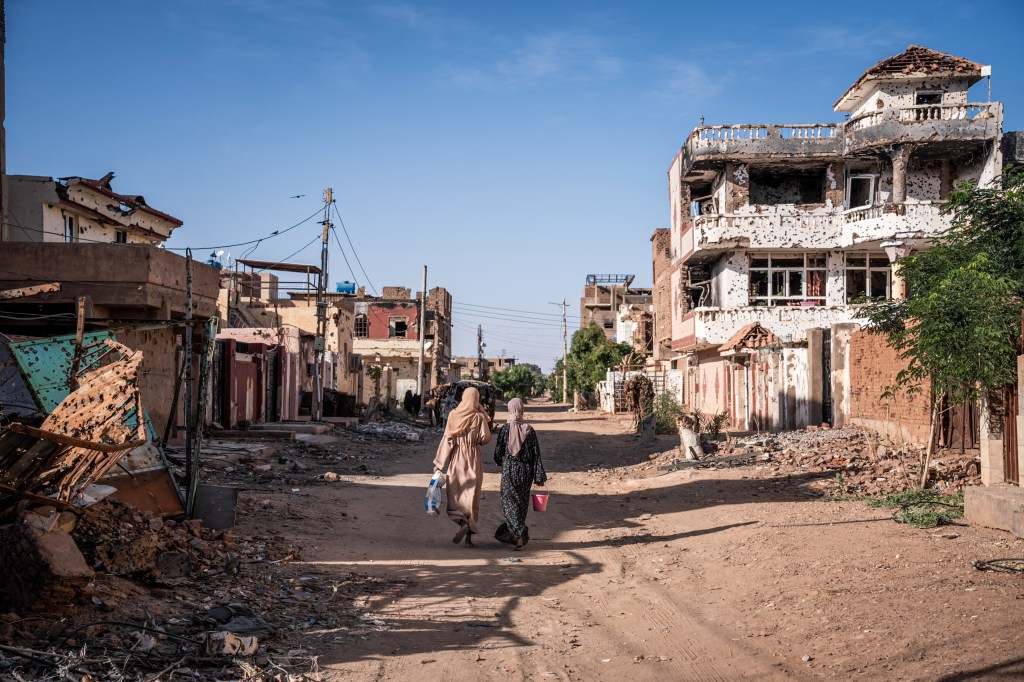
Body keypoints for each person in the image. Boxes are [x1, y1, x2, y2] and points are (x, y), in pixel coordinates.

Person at [432, 386, 492, 547]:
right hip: (473, 458)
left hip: (456, 458)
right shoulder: (479, 417)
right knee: (471, 497)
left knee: (455, 495)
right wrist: (483, 414)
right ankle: (468, 540)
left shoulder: (453, 415)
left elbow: (447, 440)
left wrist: (439, 463)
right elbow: (485, 438)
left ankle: (462, 522)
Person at [493, 398, 547, 551]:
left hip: (510, 470)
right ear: (521, 409)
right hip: (526, 473)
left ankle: (518, 536)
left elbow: (498, 452)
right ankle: (518, 532)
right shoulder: (529, 430)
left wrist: (499, 461)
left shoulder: (505, 429)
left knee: (509, 503)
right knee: (521, 504)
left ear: (510, 409)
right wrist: (539, 477)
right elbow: (536, 455)